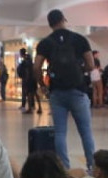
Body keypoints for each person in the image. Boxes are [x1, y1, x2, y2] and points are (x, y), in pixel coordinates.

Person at [35, 9, 99, 169]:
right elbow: (91, 65)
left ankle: (64, 169)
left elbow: (36, 67)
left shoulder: (45, 43)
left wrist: (42, 85)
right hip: (78, 90)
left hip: (57, 92)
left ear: (50, 24)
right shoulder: (79, 39)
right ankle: (92, 167)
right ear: (64, 19)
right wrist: (82, 72)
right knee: (86, 132)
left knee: (60, 133)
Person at [17, 48, 40, 114]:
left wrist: (26, 79)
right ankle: (38, 107)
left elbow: (27, 70)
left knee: (29, 93)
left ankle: (30, 108)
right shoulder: (29, 60)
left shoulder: (26, 61)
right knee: (34, 93)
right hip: (33, 78)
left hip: (29, 79)